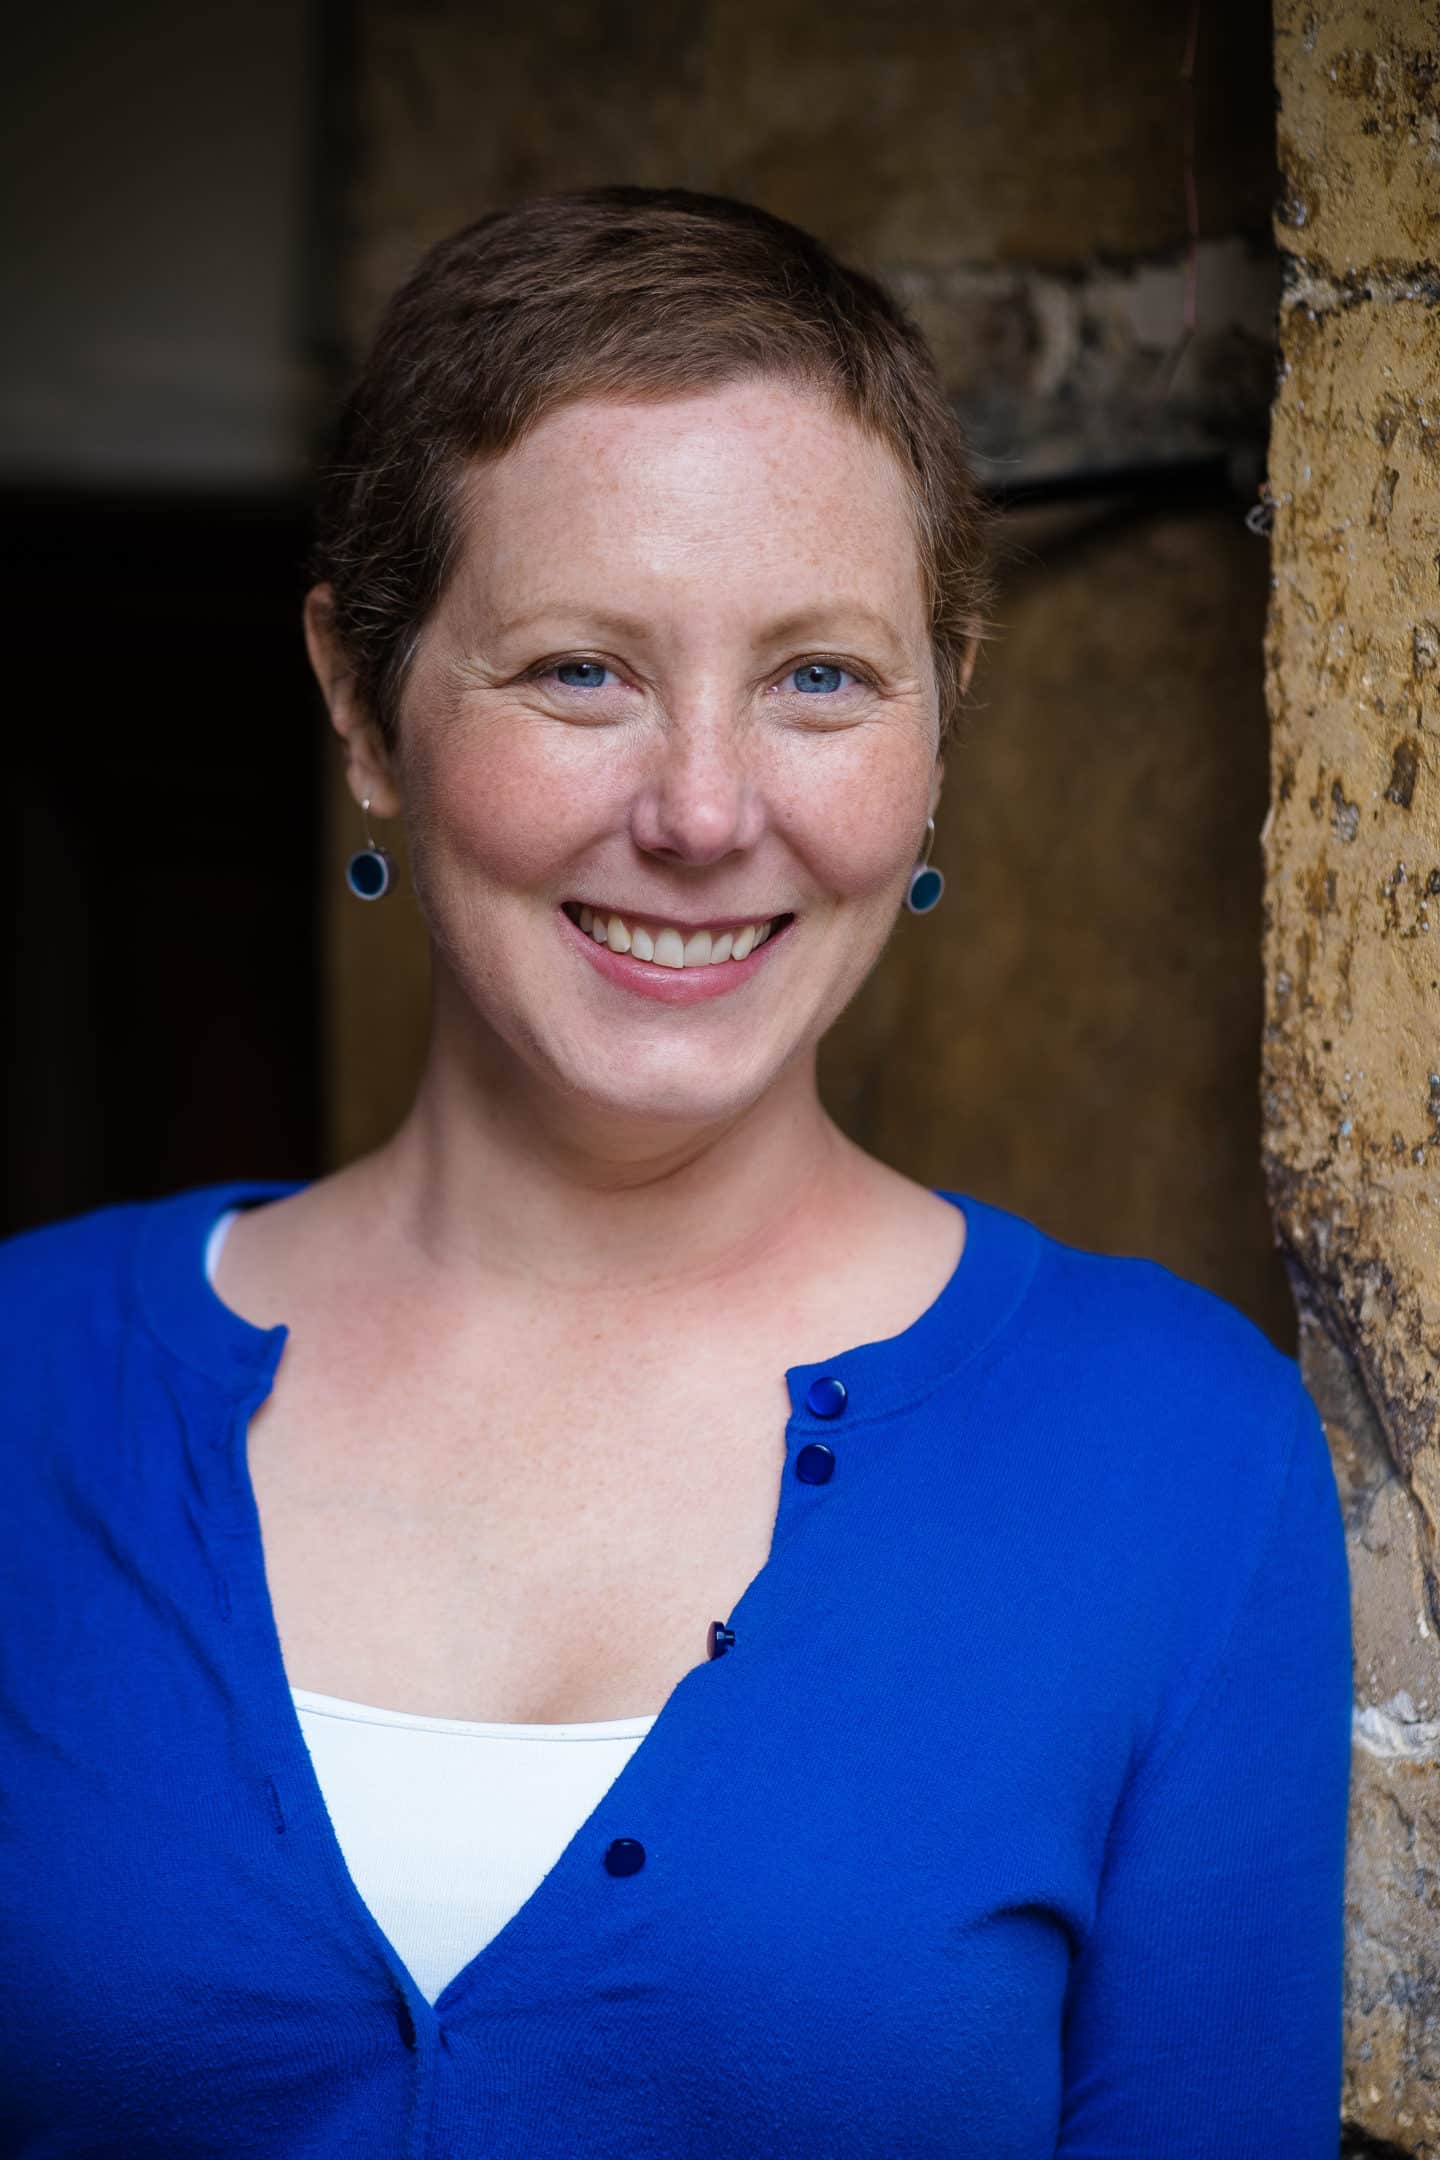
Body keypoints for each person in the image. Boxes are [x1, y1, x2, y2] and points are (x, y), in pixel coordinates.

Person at [0, 186, 1352, 2158]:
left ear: (946, 714)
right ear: (365, 706)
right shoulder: (26, 1379)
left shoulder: (1177, 1457)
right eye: (578, 672)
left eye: (820, 678)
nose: (707, 813)